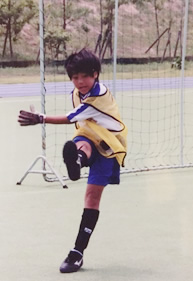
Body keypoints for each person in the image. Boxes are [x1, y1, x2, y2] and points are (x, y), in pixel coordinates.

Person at [18, 48, 127, 273]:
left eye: (84, 76)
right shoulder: (78, 92)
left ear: (95, 74)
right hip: (88, 133)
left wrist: (40, 118)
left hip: (109, 143)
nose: (79, 82)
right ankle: (77, 161)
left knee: (92, 196)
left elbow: (70, 118)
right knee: (81, 143)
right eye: (75, 77)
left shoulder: (99, 96)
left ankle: (78, 251)